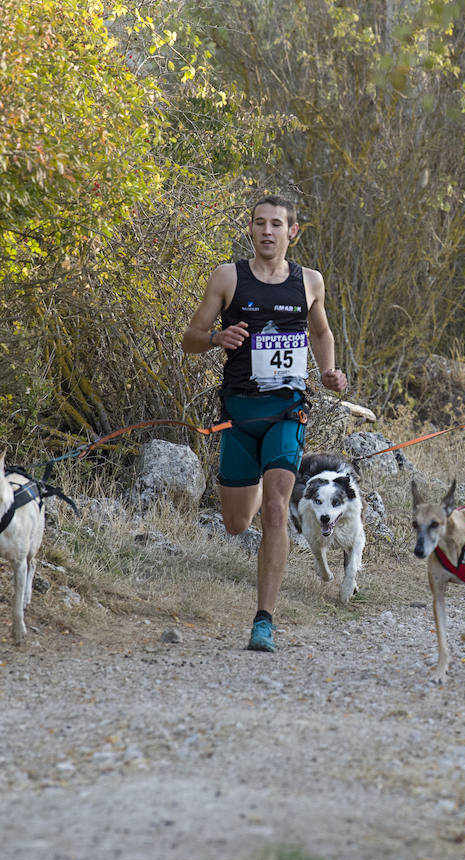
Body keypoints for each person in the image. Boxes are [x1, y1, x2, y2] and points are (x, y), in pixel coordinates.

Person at [181, 195, 348, 652]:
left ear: (292, 232)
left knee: (277, 509)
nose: (267, 231)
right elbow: (189, 338)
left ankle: (263, 621)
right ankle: (252, 481)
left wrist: (329, 371)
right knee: (237, 522)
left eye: (277, 224)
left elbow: (320, 332)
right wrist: (216, 336)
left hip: (287, 411)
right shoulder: (228, 277)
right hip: (239, 412)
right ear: (251, 230)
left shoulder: (309, 281)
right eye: (260, 223)